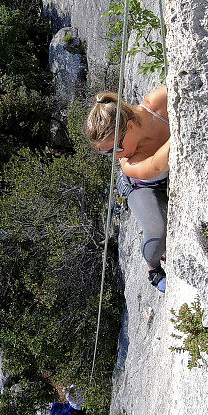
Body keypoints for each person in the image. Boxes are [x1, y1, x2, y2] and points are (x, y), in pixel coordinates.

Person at [85, 86, 170, 291]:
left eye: (115, 148)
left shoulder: (158, 101)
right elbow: (157, 165)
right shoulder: (128, 163)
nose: (115, 156)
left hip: (161, 177)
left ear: (130, 126)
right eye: (107, 153)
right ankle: (153, 266)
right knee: (158, 232)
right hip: (141, 188)